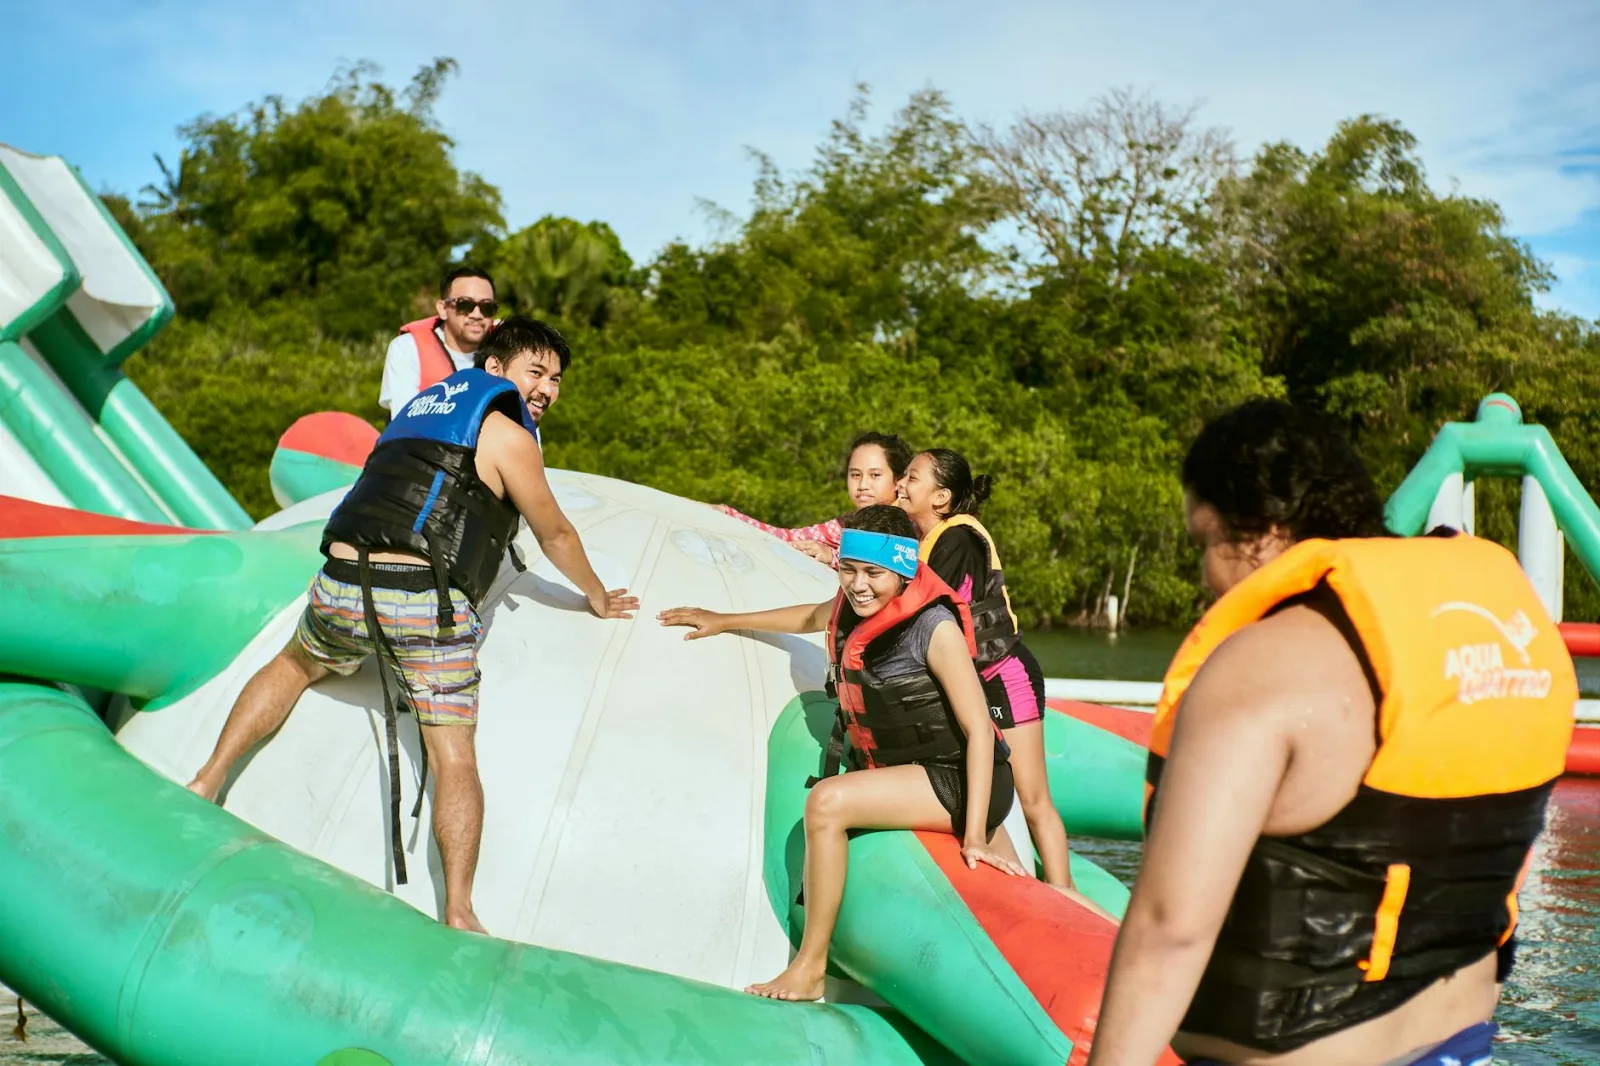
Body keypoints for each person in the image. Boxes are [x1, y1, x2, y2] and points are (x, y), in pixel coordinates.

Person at [1087, 400, 1577, 1066]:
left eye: (1205, 541)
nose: (1204, 576)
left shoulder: (1261, 666)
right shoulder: (1501, 649)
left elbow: (1172, 928)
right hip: (1462, 1048)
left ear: (1263, 529)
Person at [188, 316, 637, 936]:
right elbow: (555, 533)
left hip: (342, 584)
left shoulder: (416, 414)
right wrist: (596, 597)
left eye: (557, 379)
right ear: (494, 370)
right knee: (452, 753)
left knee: (293, 665)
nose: (549, 389)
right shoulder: (510, 438)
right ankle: (459, 909)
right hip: (423, 601)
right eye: (536, 372)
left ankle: (206, 779)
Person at [658, 504, 1027, 1001]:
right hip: (917, 772)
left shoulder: (933, 628)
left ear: (903, 570)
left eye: (873, 573)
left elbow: (979, 731)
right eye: (849, 570)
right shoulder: (855, 603)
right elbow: (813, 615)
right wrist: (724, 619)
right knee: (1020, 913)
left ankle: (810, 967)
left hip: (954, 777)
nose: (858, 585)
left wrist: (977, 835)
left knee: (826, 803)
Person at [897, 448, 1082, 899]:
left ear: (941, 497)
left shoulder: (956, 538)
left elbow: (920, 598)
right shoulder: (928, 538)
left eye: (912, 477)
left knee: (1034, 799)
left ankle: (1065, 892)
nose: (901, 484)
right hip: (977, 681)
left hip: (1005, 676)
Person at [377, 266, 562, 430]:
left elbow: (526, 410)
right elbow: (403, 422)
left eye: (487, 307)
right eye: (465, 305)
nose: (477, 314)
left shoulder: (509, 348)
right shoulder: (407, 348)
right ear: (442, 308)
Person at [719, 431, 913, 564]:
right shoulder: (846, 524)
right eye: (855, 475)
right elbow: (787, 538)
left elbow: (891, 565)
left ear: (898, 480)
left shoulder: (912, 523)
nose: (862, 485)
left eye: (875, 475)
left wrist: (834, 557)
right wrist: (728, 514)